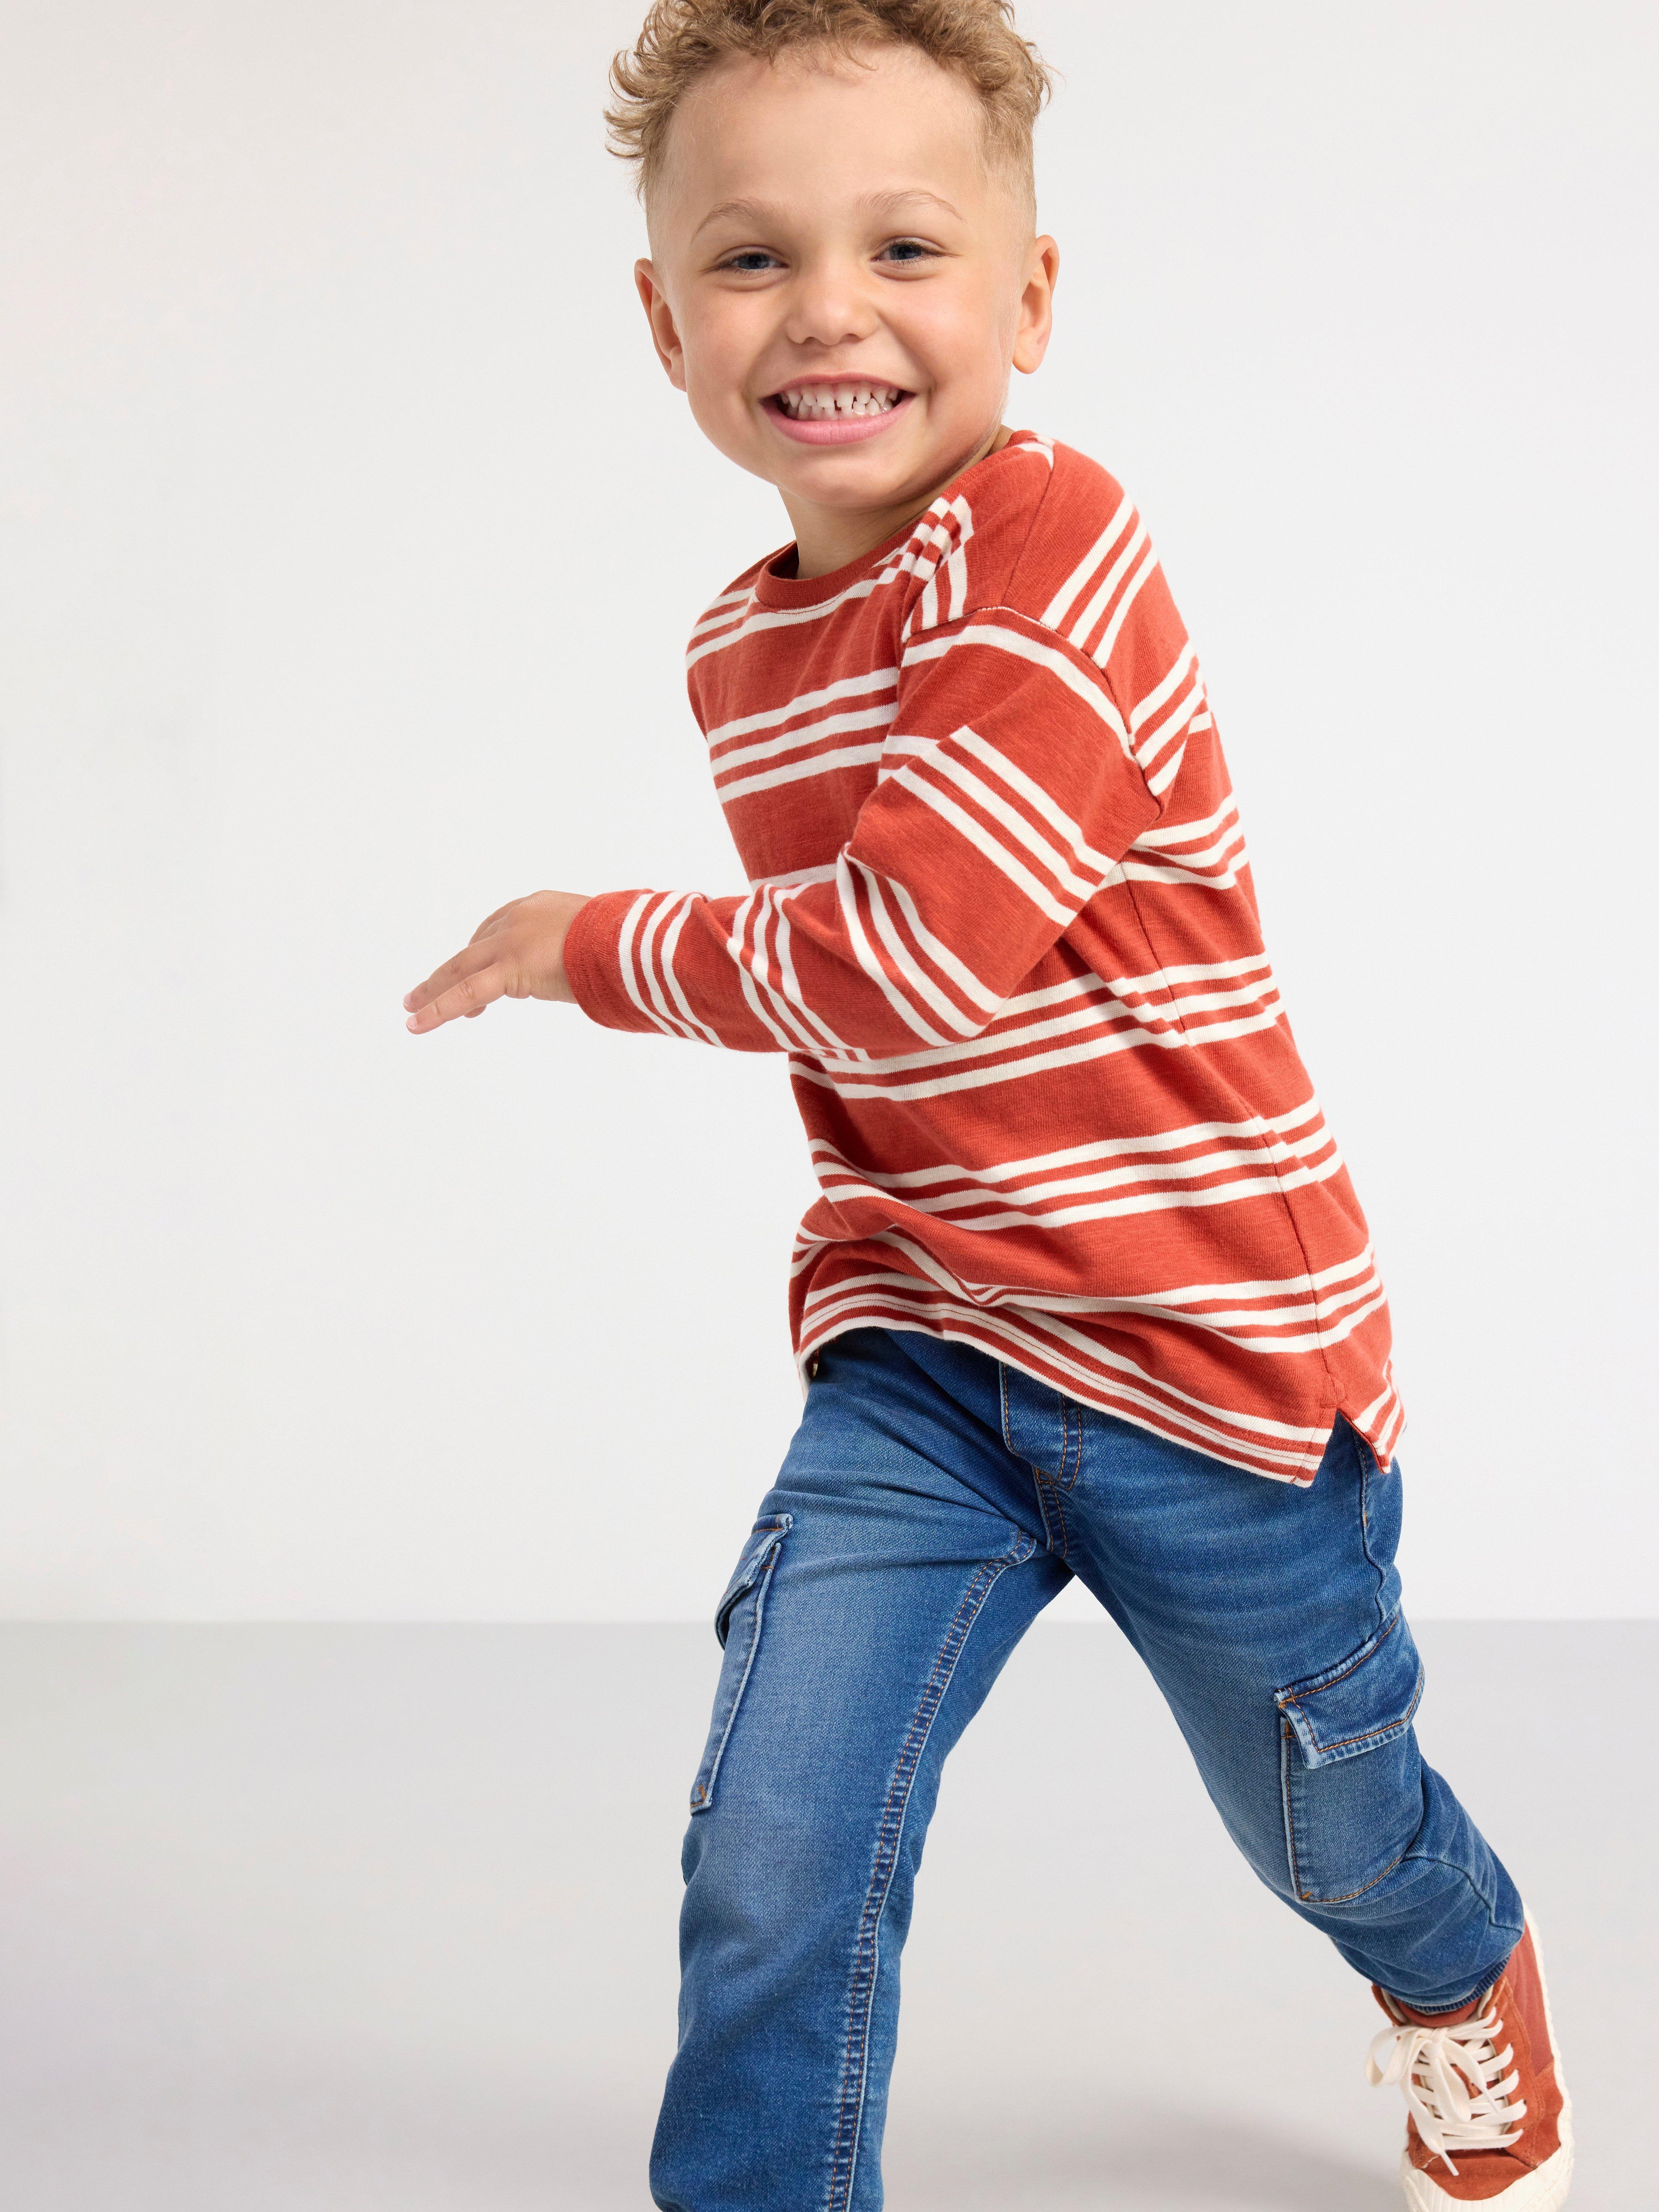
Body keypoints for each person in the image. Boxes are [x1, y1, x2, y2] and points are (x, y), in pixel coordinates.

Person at [401, 4, 1571, 2206]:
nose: (826, 308)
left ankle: (1455, 1961)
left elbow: (910, 958)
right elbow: (884, 1038)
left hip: (1203, 1365)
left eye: (904, 248)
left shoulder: (1051, 539)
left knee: (1329, 1824)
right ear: (664, 325)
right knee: (773, 1834)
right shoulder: (733, 645)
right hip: (928, 1351)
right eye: (750, 261)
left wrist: (583, 941)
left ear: (1028, 297)